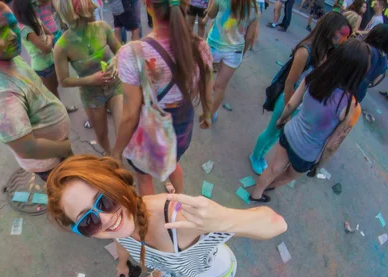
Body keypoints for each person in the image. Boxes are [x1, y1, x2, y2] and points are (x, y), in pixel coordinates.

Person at [46, 155, 287, 277]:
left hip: (215, 274)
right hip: (174, 266)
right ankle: (172, 273)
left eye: (105, 199)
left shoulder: (176, 218)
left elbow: (276, 224)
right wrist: (122, 263)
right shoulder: (119, 224)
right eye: (88, 221)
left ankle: (173, 275)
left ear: (118, 182)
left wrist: (223, 218)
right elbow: (122, 240)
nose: (106, 219)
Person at [112, 0, 213, 196]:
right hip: (183, 124)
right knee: (172, 162)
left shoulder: (132, 53)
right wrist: (207, 115)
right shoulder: (201, 46)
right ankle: (179, 203)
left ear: (148, 5)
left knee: (144, 176)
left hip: (149, 125)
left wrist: (117, 151)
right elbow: (207, 92)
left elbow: (130, 114)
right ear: (185, 5)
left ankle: (153, 220)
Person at [249, 39, 369, 203]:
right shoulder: (350, 106)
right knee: (288, 175)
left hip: (289, 132)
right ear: (359, 72)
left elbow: (291, 103)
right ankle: (269, 187)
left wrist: (282, 120)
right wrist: (318, 166)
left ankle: (256, 194)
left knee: (273, 168)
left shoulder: (315, 76)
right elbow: (332, 145)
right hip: (307, 153)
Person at [0, 1, 73, 182]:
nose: (11, 35)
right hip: (51, 161)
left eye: (12, 25)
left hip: (57, 151)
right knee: (73, 198)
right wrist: (64, 149)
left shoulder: (6, 56)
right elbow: (27, 148)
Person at [249, 12, 351, 175]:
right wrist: (288, 111)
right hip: (288, 99)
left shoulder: (327, 52)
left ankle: (261, 156)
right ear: (330, 29)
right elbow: (290, 83)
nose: (343, 39)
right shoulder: (305, 51)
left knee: (277, 134)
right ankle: (255, 156)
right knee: (272, 131)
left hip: (302, 104)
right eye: (342, 34)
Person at [53, 0, 123, 154]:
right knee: (101, 134)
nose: (94, 5)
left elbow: (120, 49)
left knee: (123, 128)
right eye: (90, 3)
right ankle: (112, 157)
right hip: (92, 96)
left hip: (114, 86)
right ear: (80, 11)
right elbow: (63, 81)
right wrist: (91, 80)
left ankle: (118, 158)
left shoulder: (102, 27)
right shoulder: (62, 46)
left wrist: (115, 60)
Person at [206, 0, 259, 122]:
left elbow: (210, 15)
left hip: (213, 45)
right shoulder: (254, 8)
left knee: (201, 77)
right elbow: (249, 37)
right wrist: (242, 54)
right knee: (220, 87)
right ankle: (210, 115)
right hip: (234, 52)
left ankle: (187, 105)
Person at [355, 24, 388, 103]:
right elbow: (375, 82)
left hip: (345, 87)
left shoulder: (367, 50)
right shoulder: (384, 60)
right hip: (359, 94)